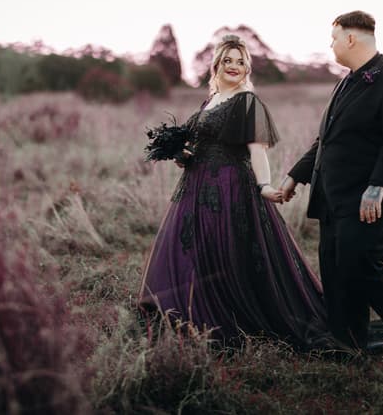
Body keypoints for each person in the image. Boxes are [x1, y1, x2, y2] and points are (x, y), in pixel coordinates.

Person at [138, 34, 330, 349]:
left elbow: (257, 150)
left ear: (247, 69)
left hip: (231, 187)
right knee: (192, 249)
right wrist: (180, 155)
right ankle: (186, 312)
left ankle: (226, 317)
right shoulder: (208, 101)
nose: (234, 66)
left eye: (241, 62)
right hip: (196, 186)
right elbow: (198, 145)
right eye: (228, 60)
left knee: (226, 251)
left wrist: (265, 185)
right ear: (216, 65)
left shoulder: (247, 102)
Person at [281, 11, 383, 350]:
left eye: (334, 37)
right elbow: (326, 140)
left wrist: (376, 186)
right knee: (335, 269)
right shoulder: (345, 81)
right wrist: (296, 175)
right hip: (333, 198)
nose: (331, 45)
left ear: (351, 38)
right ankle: (348, 339)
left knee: (361, 268)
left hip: (373, 200)